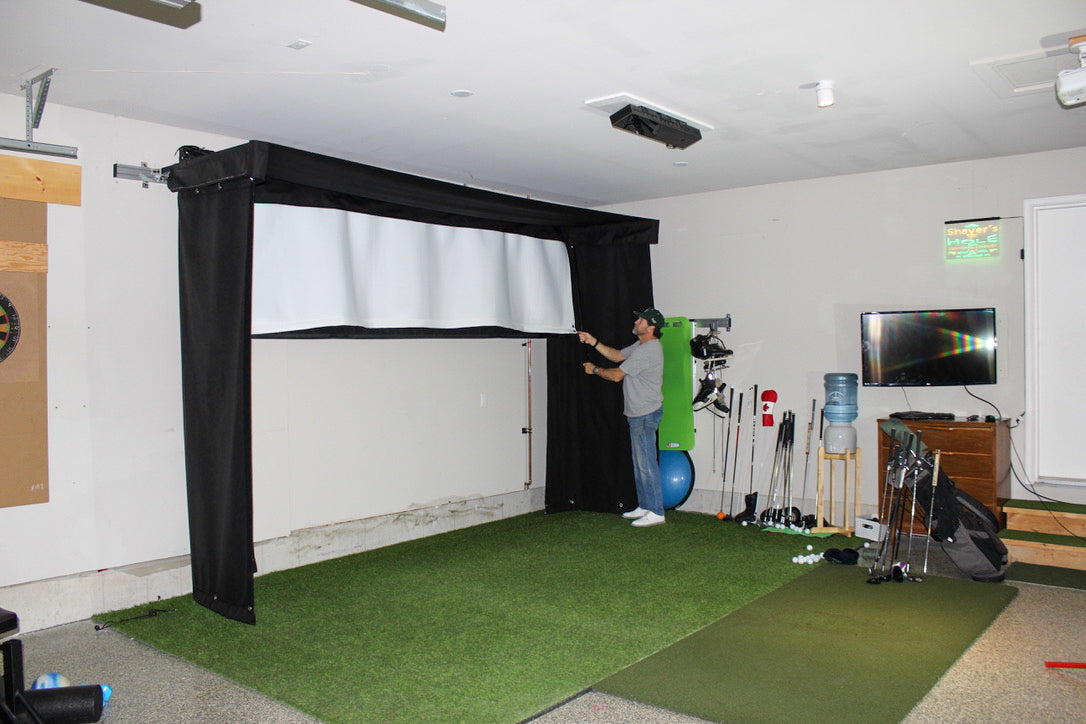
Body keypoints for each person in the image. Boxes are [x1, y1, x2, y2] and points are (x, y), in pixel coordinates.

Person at [578, 308, 666, 527]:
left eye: (641, 320)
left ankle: (656, 511)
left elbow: (617, 375)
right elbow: (617, 355)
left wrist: (594, 370)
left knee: (646, 464)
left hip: (645, 414)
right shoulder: (641, 346)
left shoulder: (649, 350)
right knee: (640, 464)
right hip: (638, 413)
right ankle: (646, 506)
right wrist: (593, 341)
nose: (636, 321)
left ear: (651, 327)